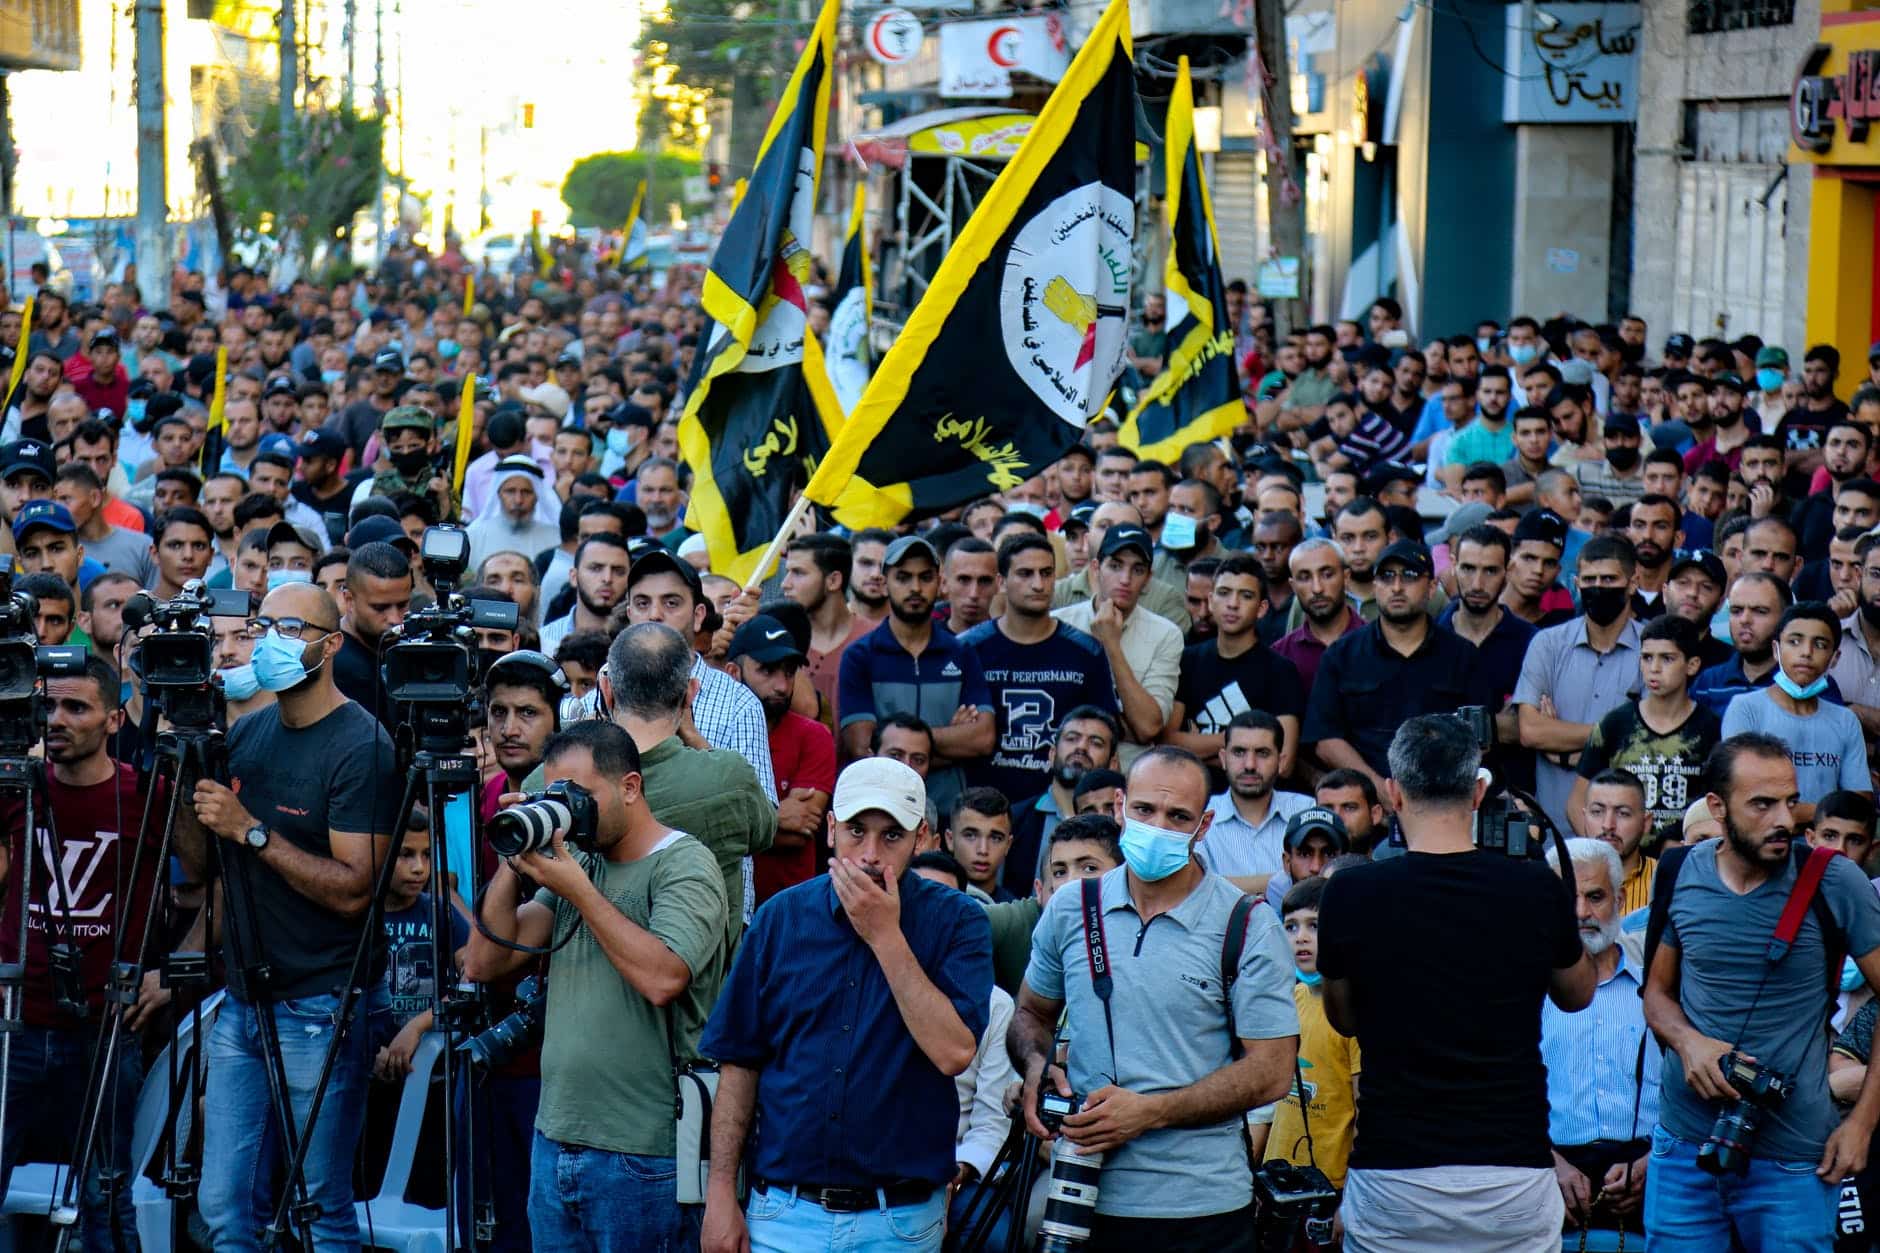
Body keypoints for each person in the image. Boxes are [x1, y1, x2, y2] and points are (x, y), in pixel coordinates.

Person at [1317, 715, 1594, 1252]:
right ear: (1478, 791)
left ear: (1393, 793)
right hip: (1511, 1175)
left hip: (1395, 1174)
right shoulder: (1533, 887)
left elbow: (1342, 1017)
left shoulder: (1350, 892)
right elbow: (1578, 992)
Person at [178, 581, 399, 1252]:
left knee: (319, 1207)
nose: (270, 638)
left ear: (330, 645)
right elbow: (201, 862)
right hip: (244, 997)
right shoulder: (249, 733)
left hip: (322, 1002)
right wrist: (185, 775)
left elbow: (356, 889)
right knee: (223, 1207)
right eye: (263, 623)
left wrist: (251, 831)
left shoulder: (362, 746)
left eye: (290, 628)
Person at [698, 757, 992, 1253]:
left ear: (922, 839)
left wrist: (885, 935)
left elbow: (953, 1052)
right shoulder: (780, 919)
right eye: (857, 830)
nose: (871, 854)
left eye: (891, 836)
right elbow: (739, 1064)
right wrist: (721, 1193)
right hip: (785, 1213)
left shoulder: (959, 922)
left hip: (898, 1219)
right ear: (831, 829)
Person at [1010, 746, 1299, 1251]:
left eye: (1178, 816)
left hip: (1203, 1207)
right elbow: (1031, 1012)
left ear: (1204, 825)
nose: (1157, 826)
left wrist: (1151, 1112)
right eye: (1144, 810)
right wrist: (1037, 1068)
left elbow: (1273, 1070)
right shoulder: (1070, 908)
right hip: (1084, 1201)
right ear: (1119, 806)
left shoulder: (1247, 925)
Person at [465, 719, 731, 1253]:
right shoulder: (577, 864)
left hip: (644, 1153)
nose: (568, 809)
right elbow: (485, 960)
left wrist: (577, 889)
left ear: (630, 787)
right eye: (556, 795)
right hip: (556, 1137)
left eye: (579, 795)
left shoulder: (684, 864)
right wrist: (513, 864)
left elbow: (664, 977)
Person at [1642, 733, 1880, 1251]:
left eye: (1791, 801)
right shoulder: (1680, 871)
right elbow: (1656, 995)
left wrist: (1863, 1121)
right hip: (1684, 1147)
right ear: (1716, 806)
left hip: (1794, 1157)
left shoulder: (1834, 881)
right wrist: (1689, 1043)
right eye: (1762, 804)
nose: (1783, 820)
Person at [0, 657, 163, 1253]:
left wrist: (168, 972)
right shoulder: (14, 783)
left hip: (107, 1026)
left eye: (77, 707)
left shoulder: (147, 795)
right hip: (17, 1019)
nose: (57, 720)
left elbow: (207, 884)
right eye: (47, 706)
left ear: (115, 719)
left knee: (106, 1196)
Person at [1541, 837, 1659, 1237]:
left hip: (1651, 1179)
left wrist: (1652, 1164)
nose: (1580, 913)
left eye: (1595, 897)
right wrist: (1548, 1164)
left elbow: (1685, 1096)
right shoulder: (1524, 998)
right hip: (1550, 1183)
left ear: (1620, 899)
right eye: (1565, 898)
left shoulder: (1657, 996)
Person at [1302, 539, 1486, 790]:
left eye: (1409, 576)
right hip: (1368, 808)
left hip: (1442, 801)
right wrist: (1378, 787)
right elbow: (1325, 740)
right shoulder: (1341, 655)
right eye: (1387, 577)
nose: (1397, 587)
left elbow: (1479, 740)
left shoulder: (1463, 656)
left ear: (1432, 587)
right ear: (1375, 586)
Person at [838, 535, 994, 814]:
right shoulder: (860, 656)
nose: (915, 587)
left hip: (949, 812)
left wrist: (896, 750)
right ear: (885, 583)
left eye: (925, 577)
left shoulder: (961, 653)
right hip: (882, 809)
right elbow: (862, 749)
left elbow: (982, 739)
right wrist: (952, 738)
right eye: (903, 577)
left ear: (940, 582)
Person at [959, 532, 1116, 801]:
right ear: (1001, 582)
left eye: (1046, 573)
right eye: (1025, 574)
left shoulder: (1086, 651)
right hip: (982, 803)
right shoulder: (968, 649)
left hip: (1060, 804)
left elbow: (1105, 732)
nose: (1038, 584)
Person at [1514, 535, 1647, 835]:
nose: (1598, 587)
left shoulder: (1653, 647)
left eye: (1609, 578)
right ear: (1576, 583)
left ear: (1633, 582)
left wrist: (1564, 752)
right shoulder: (1547, 644)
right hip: (1553, 836)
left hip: (1628, 838)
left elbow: (1649, 740)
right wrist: (1614, 731)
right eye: (1590, 579)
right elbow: (1531, 730)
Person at [1571, 614, 1722, 842]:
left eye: (1667, 658)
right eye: (1647, 657)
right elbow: (1576, 801)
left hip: (1681, 860)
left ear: (1692, 665)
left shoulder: (1711, 729)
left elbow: (1720, 805)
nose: (1654, 668)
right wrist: (1602, 851)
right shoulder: (1615, 724)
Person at [723, 613, 835, 904]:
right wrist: (774, 817)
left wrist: (725, 830)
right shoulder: (713, 730)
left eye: (789, 671)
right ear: (734, 672)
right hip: (723, 908)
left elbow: (801, 830)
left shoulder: (815, 736)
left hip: (793, 911)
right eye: (768, 671)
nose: (782, 686)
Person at [1162, 554, 1305, 780]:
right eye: (1224, 593)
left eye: (1245, 596)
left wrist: (1197, 747)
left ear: (1261, 608)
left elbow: (1282, 763)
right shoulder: (1188, 660)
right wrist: (1248, 745)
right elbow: (1167, 744)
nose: (1232, 604)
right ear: (1211, 600)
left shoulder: (1280, 671)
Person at [1053, 523, 1185, 766]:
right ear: (1095, 568)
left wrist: (1111, 645)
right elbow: (1053, 714)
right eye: (1115, 566)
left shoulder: (1167, 634)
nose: (1125, 579)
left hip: (1128, 776)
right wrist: (1125, 723)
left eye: (1137, 569)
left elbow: (1147, 727)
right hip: (1062, 770)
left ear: (1148, 579)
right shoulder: (1059, 624)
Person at [1262, 876, 1361, 1197]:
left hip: (1331, 1182)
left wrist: (1354, 1190)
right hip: (1280, 1177)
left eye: (1314, 926)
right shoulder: (1289, 998)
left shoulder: (1354, 1014)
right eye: (1291, 927)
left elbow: (1364, 1111)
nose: (1300, 938)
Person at [1722, 603, 1872, 802]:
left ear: (1835, 658)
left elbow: (1860, 800)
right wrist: (1824, 812)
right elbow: (1742, 795)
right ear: (1776, 649)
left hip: (1825, 833)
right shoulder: (1746, 708)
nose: (1806, 652)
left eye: (1820, 644)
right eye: (1794, 642)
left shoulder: (1845, 720)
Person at [985, 813, 1123, 994]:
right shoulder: (1026, 918)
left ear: (1123, 874)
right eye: (1059, 872)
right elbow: (959, 917)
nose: (1069, 884)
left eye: (1089, 868)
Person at [1002, 706, 1121, 898]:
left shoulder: (1123, 824)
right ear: (1051, 754)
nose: (1081, 747)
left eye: (1095, 742)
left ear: (1114, 764)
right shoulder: (1015, 819)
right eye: (1072, 738)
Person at [1198, 709, 1314, 896]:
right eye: (1239, 752)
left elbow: (1320, 881)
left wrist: (1220, 885)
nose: (1250, 764)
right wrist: (1292, 878)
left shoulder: (1307, 809)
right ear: (1223, 759)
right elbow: (1196, 890)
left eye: (1262, 753)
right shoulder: (1199, 815)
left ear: (1281, 762)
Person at [330, 540, 413, 726]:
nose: (395, 618)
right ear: (348, 599)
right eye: (380, 608)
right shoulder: (338, 668)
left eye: (402, 605)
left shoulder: (399, 651)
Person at [1271, 537, 1362, 693]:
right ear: (1293, 586)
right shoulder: (1279, 656)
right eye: (1305, 578)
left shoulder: (1378, 645)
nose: (1317, 588)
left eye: (1327, 575)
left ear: (1346, 578)